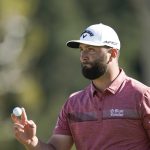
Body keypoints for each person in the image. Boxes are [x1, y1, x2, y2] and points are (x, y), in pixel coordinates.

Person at [11, 23, 150, 150]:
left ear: (112, 54)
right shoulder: (73, 103)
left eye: (91, 49)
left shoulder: (141, 96)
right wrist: (32, 142)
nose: (83, 56)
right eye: (82, 50)